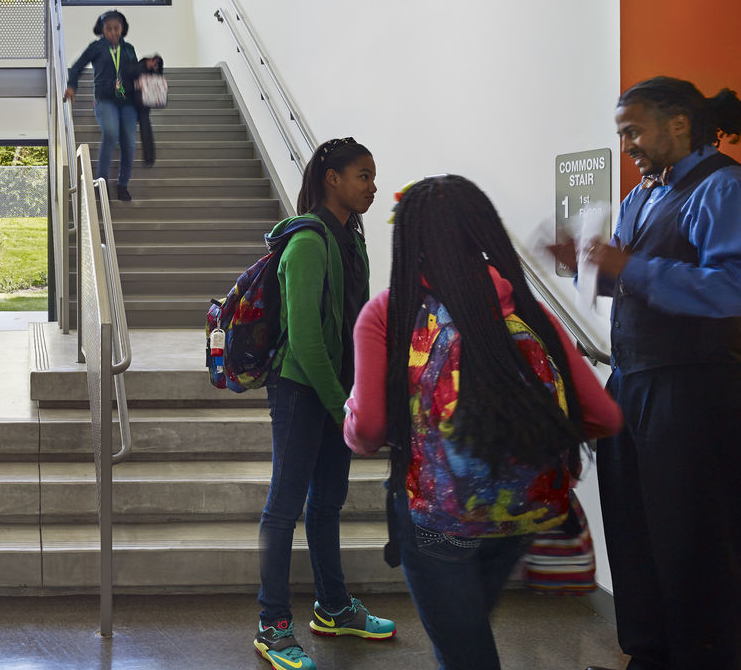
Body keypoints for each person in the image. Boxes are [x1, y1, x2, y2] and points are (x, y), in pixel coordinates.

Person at [347, 176, 622, 670]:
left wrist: (354, 419)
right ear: (484, 234)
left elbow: (366, 430)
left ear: (407, 238)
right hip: (519, 513)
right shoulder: (530, 310)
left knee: (463, 651)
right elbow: (603, 415)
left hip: (437, 521)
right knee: (471, 634)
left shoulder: (388, 313)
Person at [554, 77, 741, 670]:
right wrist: (590, 268)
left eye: (633, 130)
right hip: (632, 382)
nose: (627, 144)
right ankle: (650, 651)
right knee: (633, 525)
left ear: (679, 123)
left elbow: (731, 290)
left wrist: (629, 266)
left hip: (691, 386)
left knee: (689, 532)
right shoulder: (641, 196)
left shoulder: (723, 189)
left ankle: (702, 653)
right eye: (621, 133)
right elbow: (630, 277)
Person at [254, 138, 395, 670]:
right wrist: (344, 410)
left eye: (373, 176)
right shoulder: (308, 242)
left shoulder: (353, 240)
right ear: (332, 179)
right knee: (282, 509)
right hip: (300, 391)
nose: (373, 186)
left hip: (339, 390)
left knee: (328, 503)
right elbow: (308, 340)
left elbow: (358, 323)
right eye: (363, 175)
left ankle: (333, 607)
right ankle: (272, 625)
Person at [64, 11, 141, 201]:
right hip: (104, 100)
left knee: (129, 143)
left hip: (128, 101)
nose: (113, 32)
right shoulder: (96, 47)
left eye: (117, 28)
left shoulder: (129, 48)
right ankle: (102, 182)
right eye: (109, 29)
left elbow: (135, 72)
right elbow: (76, 67)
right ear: (102, 30)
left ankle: (122, 184)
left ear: (123, 29)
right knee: (111, 133)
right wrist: (72, 86)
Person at [137, 52, 164, 166]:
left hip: (144, 103)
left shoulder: (156, 72)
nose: (154, 65)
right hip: (134, 100)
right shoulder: (142, 63)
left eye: (157, 64)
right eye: (154, 62)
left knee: (146, 128)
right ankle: (149, 158)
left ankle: (149, 158)